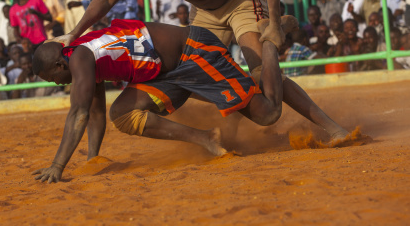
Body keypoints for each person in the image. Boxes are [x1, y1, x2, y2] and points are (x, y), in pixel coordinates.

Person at [49, 0, 349, 143]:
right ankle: (234, 135)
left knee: (263, 75)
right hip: (205, 11)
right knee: (203, 70)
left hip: (241, 0)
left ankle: (333, 128)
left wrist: (271, 24)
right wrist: (74, 33)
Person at [32, 17, 300, 183]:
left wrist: (57, 166)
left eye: (53, 79)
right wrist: (93, 158)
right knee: (122, 114)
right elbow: (95, 112)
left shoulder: (79, 58)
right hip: (165, 73)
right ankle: (206, 137)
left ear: (58, 65)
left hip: (192, 55)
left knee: (268, 114)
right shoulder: (82, 55)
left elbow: (78, 113)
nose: (57, 84)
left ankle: (271, 41)